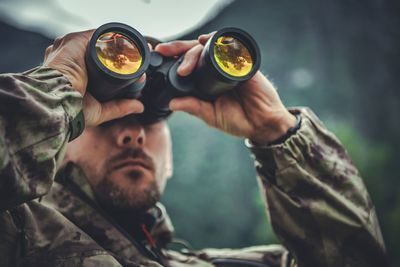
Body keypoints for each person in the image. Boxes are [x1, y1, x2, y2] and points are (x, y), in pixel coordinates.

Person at [0, 29, 388, 267]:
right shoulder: (16, 237)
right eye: (110, 119)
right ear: (61, 137)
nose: (132, 135)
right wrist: (61, 84)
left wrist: (276, 128)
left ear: (170, 160)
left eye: (152, 120)